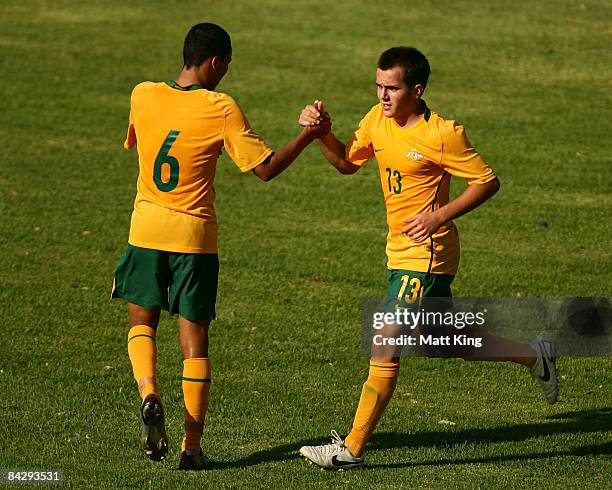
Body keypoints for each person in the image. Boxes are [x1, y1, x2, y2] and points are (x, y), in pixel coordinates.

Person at [297, 46, 559, 470]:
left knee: (385, 341)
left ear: (416, 90)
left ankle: (350, 449)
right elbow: (347, 162)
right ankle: (535, 355)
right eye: (378, 86)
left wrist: (438, 215)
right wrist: (320, 133)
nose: (383, 96)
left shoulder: (443, 134)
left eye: (392, 88)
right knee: (443, 342)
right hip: (399, 250)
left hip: (427, 253)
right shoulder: (376, 119)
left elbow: (487, 182)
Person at [111, 22, 328, 471]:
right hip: (194, 239)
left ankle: (149, 391)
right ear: (216, 61)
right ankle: (191, 449)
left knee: (142, 324)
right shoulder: (220, 107)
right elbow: (265, 169)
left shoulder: (143, 93)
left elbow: (140, 140)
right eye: (227, 64)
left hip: (145, 231)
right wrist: (309, 135)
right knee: (194, 344)